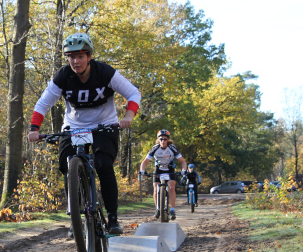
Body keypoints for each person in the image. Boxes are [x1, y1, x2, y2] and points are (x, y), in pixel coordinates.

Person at [27, 32, 141, 235]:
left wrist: (128, 117)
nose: (75, 61)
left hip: (103, 125)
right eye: (71, 56)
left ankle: (113, 218)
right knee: (66, 166)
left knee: (103, 164)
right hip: (74, 127)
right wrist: (34, 129)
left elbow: (133, 93)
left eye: (80, 56)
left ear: (89, 57)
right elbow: (43, 103)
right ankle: (76, 219)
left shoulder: (104, 72)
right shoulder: (63, 76)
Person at [139, 130, 187, 220]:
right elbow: (144, 162)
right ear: (158, 140)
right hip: (158, 169)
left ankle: (172, 209)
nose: (163, 141)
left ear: (168, 140)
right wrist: (142, 171)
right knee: (156, 187)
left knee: (171, 187)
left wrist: (184, 170)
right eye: (161, 139)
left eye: (165, 139)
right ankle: (157, 209)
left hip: (170, 169)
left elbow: (182, 161)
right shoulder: (155, 148)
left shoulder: (172, 148)